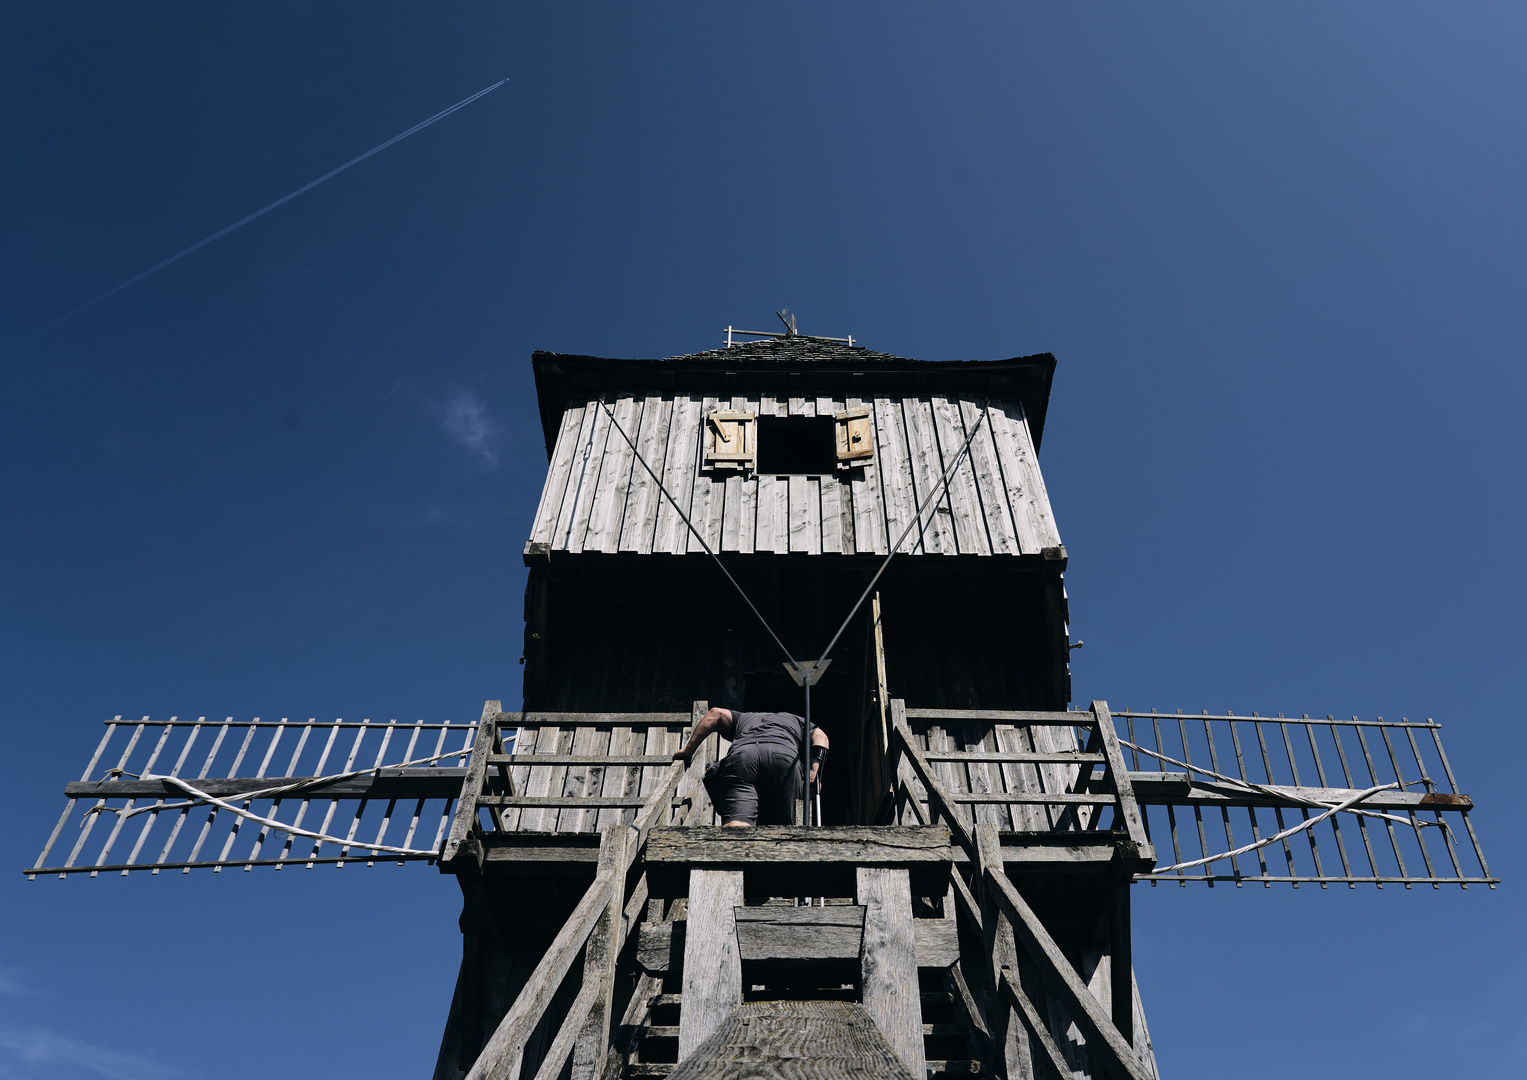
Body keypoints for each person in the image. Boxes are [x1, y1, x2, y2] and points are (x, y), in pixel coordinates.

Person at [672, 707, 829, 826]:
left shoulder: (744, 718)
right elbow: (821, 737)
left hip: (742, 756)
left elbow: (715, 713)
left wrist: (688, 750)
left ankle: (733, 863)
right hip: (783, 755)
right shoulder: (797, 720)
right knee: (783, 826)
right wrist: (813, 773)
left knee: (737, 823)